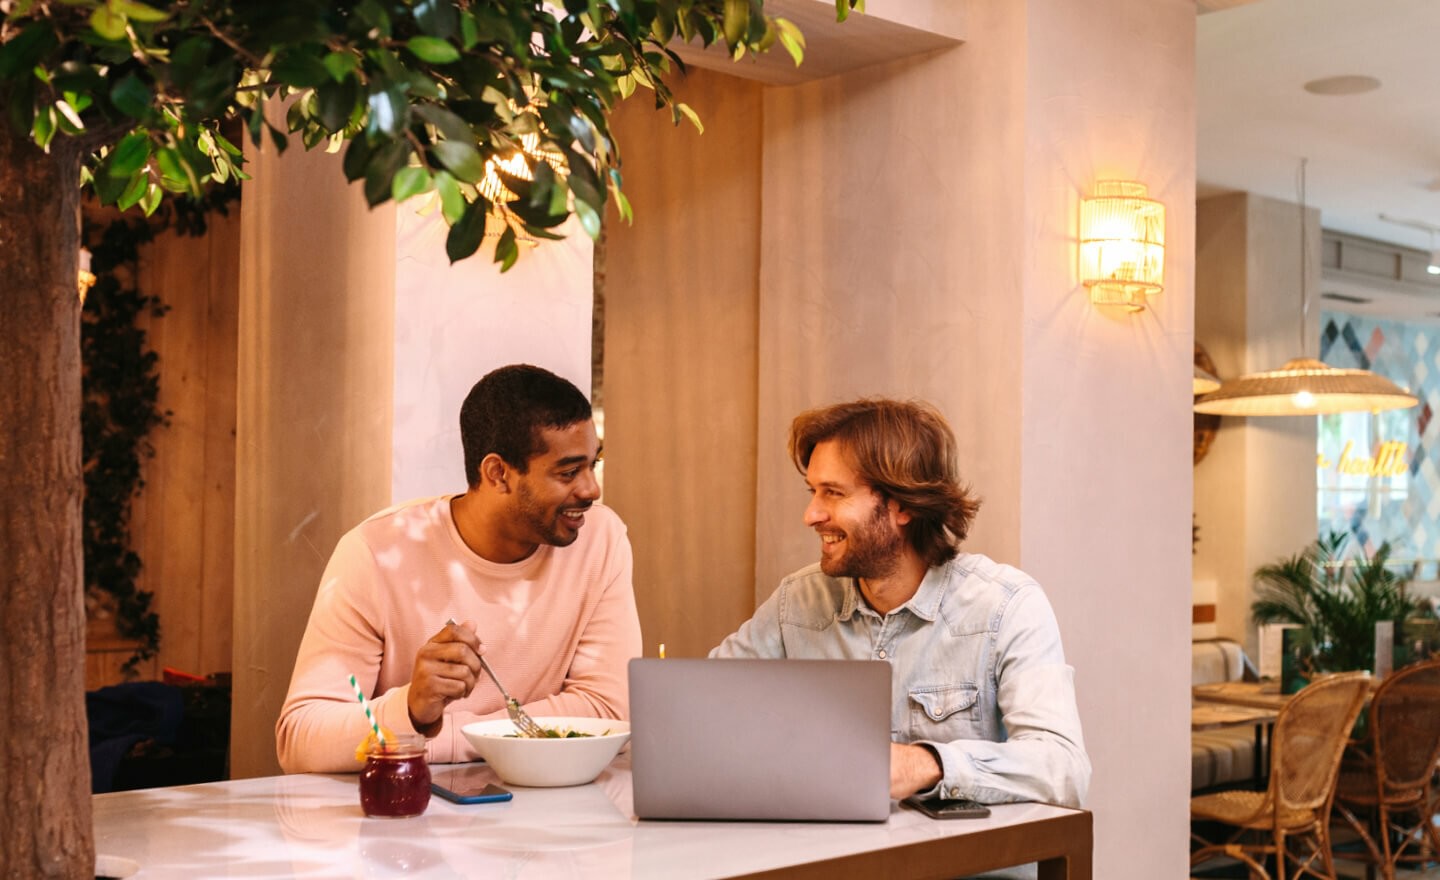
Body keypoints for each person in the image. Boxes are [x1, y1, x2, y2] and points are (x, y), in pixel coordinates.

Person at [711, 398, 1090, 807]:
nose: (811, 514)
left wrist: (924, 764)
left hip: (968, 869)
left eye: (833, 493)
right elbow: (706, 705)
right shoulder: (796, 603)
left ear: (903, 505)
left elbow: (1063, 767)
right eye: (813, 492)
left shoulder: (1007, 606)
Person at [277, 364, 641, 773]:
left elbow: (609, 710)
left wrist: (441, 733)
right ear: (498, 474)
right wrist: (413, 706)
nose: (592, 489)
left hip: (554, 817)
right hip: (409, 820)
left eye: (595, 463)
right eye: (569, 472)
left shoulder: (601, 539)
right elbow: (302, 739)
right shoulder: (376, 553)